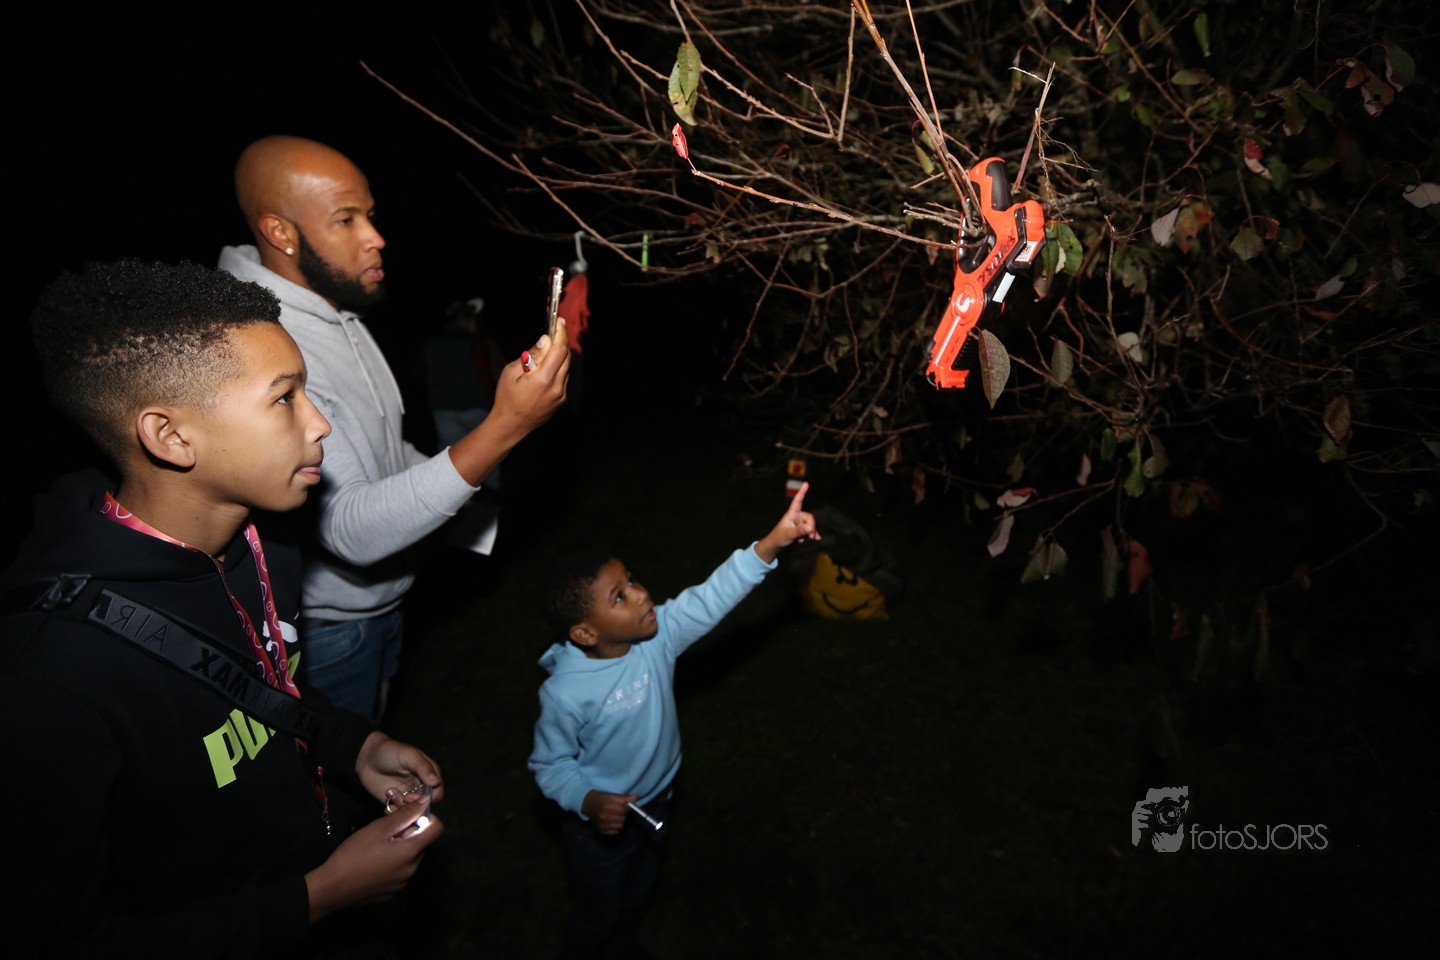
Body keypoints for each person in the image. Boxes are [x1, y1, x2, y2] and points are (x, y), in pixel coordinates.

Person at [0, 259, 445, 958]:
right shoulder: (53, 677)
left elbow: (265, 685)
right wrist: (319, 897)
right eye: (284, 398)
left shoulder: (268, 540)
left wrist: (353, 746)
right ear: (170, 436)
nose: (321, 423)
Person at [218, 135, 569, 721]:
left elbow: (384, 447)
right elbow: (349, 531)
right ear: (280, 232)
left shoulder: (333, 309)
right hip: (329, 633)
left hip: (385, 607)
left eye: (371, 215)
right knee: (342, 776)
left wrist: (474, 515)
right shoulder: (262, 342)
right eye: (346, 219)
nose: (376, 237)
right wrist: (505, 426)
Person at [529, 484, 820, 958]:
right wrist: (589, 801)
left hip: (659, 800)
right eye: (620, 596)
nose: (642, 593)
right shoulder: (566, 693)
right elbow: (551, 765)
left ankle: (624, 947)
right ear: (585, 632)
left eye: (632, 580)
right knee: (598, 912)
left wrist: (771, 543)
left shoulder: (656, 638)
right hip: (598, 827)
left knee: (638, 891)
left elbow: (711, 597)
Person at [423, 296, 504, 488]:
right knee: (487, 454)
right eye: (470, 316)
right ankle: (491, 492)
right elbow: (499, 372)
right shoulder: (482, 343)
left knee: (450, 459)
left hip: (443, 410)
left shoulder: (432, 343)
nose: (475, 321)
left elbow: (421, 373)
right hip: (476, 408)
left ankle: (460, 497)